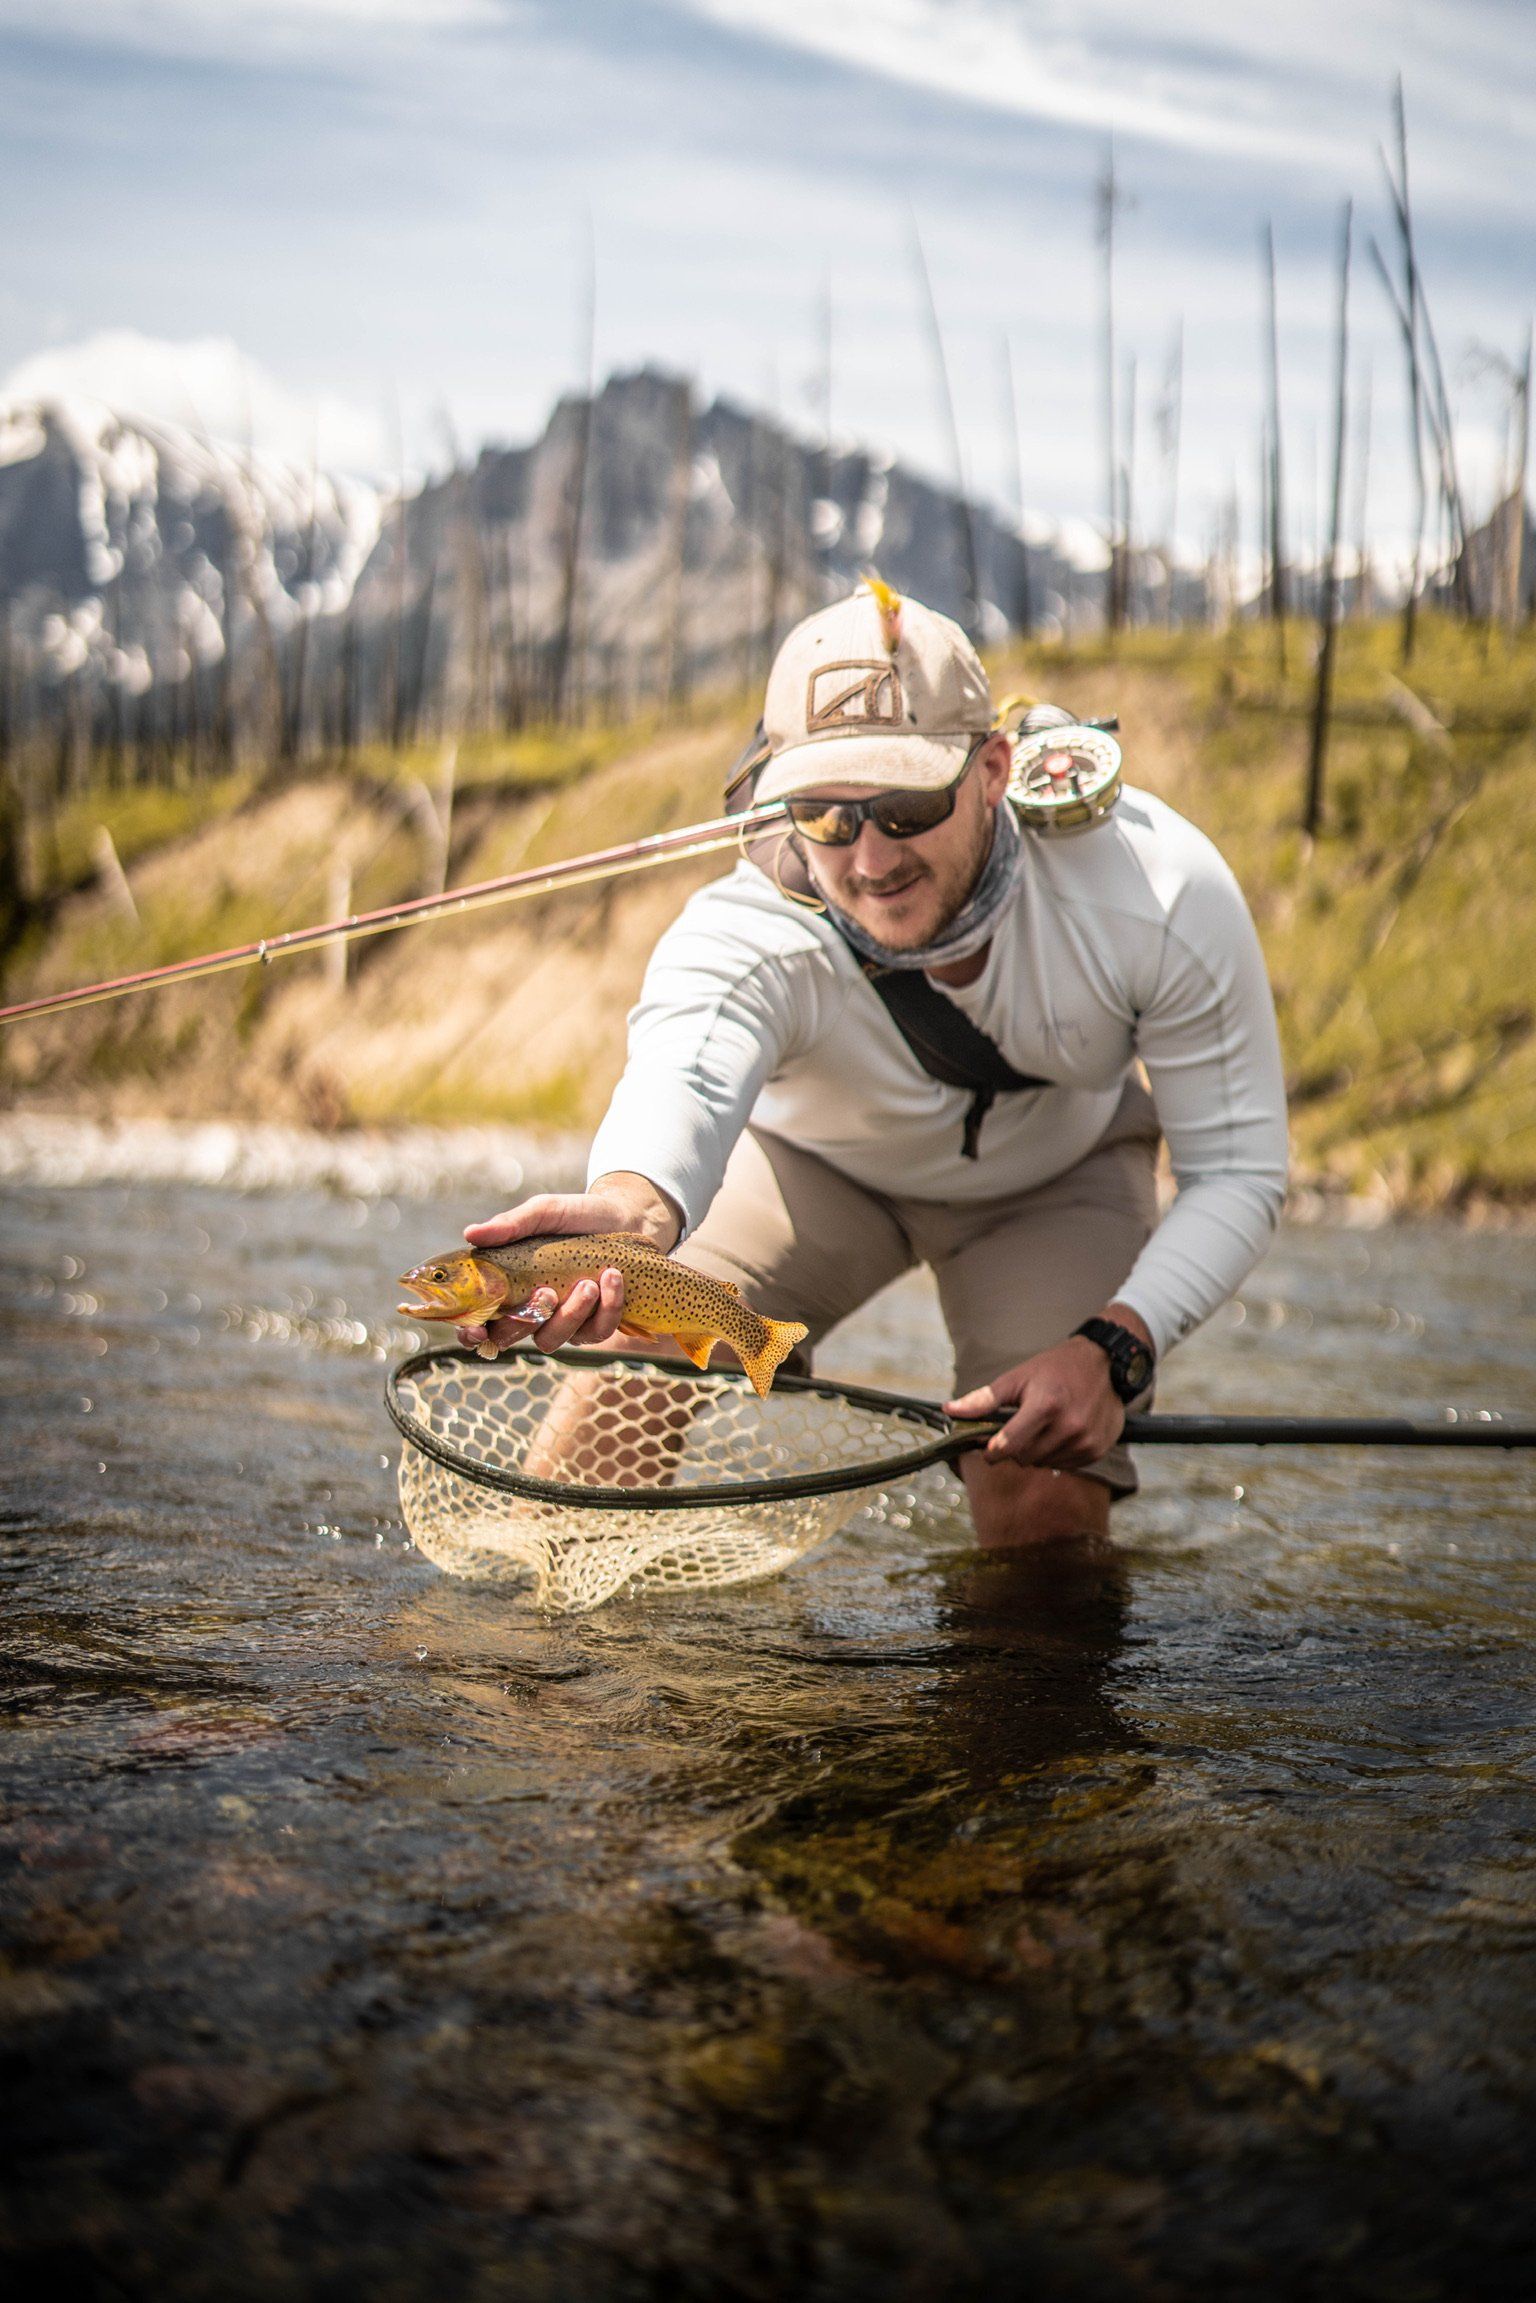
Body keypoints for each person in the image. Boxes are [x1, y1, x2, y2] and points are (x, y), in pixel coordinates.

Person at [457, 583, 1288, 1546]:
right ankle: (539, 1677)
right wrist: (630, 1211)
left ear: (992, 768)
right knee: (636, 1366)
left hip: (1053, 1183)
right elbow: (684, 1073)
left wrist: (1117, 1348)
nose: (869, 857)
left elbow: (1238, 1171)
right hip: (817, 1168)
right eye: (823, 814)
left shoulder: (1157, 892)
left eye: (904, 803)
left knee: (1042, 1493)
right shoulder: (748, 929)